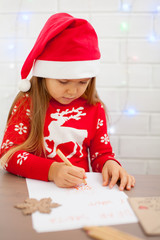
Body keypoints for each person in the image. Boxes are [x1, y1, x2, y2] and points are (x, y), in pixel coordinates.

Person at [0, 13, 135, 190]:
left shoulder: (95, 108)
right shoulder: (27, 103)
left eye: (82, 82)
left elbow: (100, 155)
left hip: (77, 194)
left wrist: (109, 164)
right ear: (44, 75)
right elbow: (8, 156)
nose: (72, 91)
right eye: (63, 82)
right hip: (33, 192)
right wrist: (52, 171)